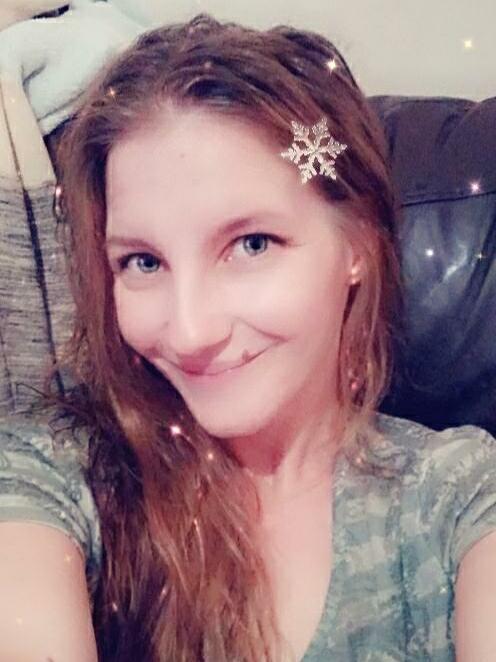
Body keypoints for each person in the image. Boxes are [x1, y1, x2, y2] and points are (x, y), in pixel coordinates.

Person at [0, 12, 495, 662]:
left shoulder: (457, 495)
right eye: (143, 261)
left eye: (251, 244)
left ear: (358, 245)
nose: (190, 332)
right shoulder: (56, 470)